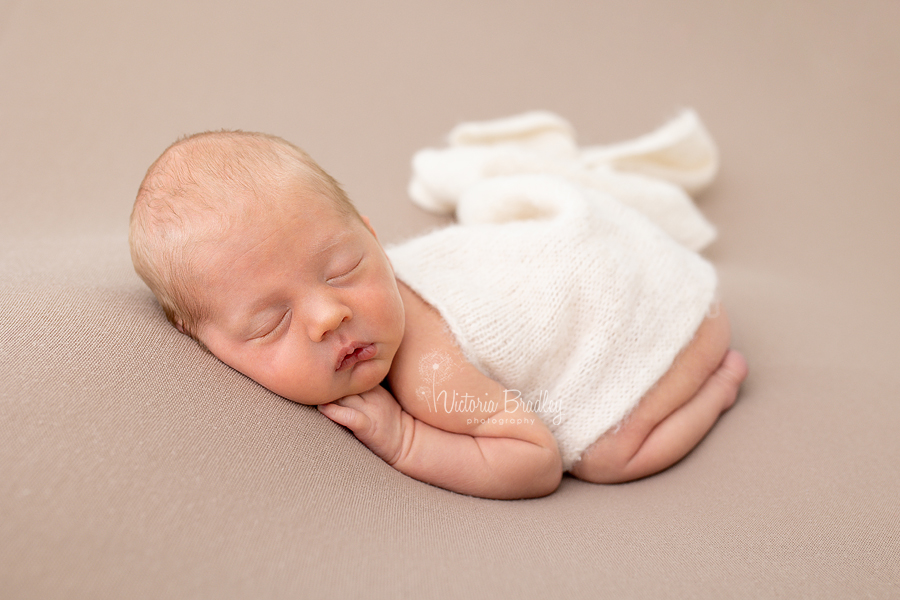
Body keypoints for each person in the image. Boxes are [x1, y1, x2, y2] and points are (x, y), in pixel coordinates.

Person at [129, 125, 747, 500]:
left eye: (345, 268)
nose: (327, 315)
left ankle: (717, 385)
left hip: (672, 305)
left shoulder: (432, 378)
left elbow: (535, 462)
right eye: (270, 324)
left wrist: (407, 440)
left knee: (606, 457)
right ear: (203, 341)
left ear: (374, 238)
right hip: (615, 256)